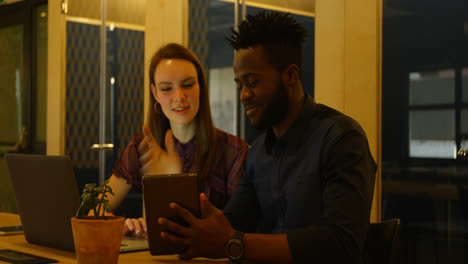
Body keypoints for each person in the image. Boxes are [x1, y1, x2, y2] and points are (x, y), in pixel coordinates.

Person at [157, 11, 377, 264]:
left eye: (252, 82)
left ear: (291, 76)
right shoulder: (259, 152)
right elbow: (230, 224)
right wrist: (186, 227)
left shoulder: (341, 139)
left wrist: (234, 243)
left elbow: (341, 243)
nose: (244, 95)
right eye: (240, 84)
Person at [107, 43, 249, 239]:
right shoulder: (143, 147)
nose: (179, 97)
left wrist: (174, 180)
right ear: (155, 93)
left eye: (188, 85)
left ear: (200, 86)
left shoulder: (234, 151)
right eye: (166, 89)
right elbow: (95, 211)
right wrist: (124, 225)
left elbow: (239, 231)